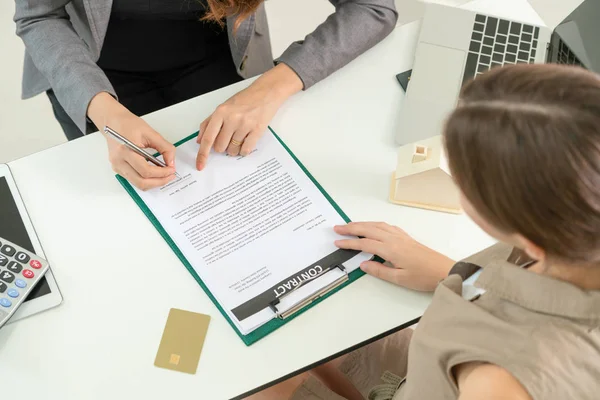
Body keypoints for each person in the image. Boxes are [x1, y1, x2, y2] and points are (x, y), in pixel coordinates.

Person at [248, 63, 600, 400]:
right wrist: (454, 274)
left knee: (248, 380)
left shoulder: (499, 382)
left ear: (531, 237)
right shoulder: (573, 246)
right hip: (420, 376)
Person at [14, 0, 397, 190]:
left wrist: (271, 87)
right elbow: (39, 15)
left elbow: (373, 7)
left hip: (221, 62)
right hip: (90, 73)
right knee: (133, 202)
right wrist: (103, 110)